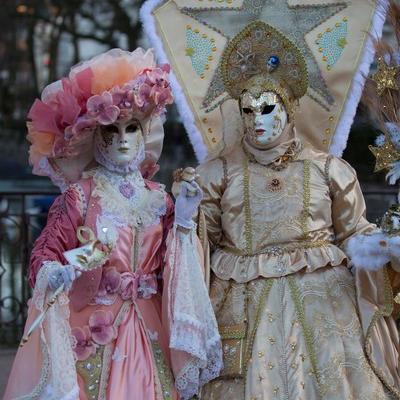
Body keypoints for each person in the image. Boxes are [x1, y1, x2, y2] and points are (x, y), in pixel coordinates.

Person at [196, 21, 400, 399]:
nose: (257, 120)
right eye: (248, 110)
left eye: (267, 108)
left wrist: (386, 246)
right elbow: (197, 245)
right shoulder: (216, 174)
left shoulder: (328, 169)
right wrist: (183, 215)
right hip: (241, 303)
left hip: (324, 305)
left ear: (288, 109)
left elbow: (355, 230)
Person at [3, 48, 222, 400]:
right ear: (95, 137)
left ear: (144, 133)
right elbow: (45, 253)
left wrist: (183, 221)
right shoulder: (80, 196)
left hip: (150, 328)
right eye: (111, 129)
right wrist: (54, 272)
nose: (122, 139)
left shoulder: (159, 197)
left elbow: (176, 272)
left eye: (131, 128)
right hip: (94, 328)